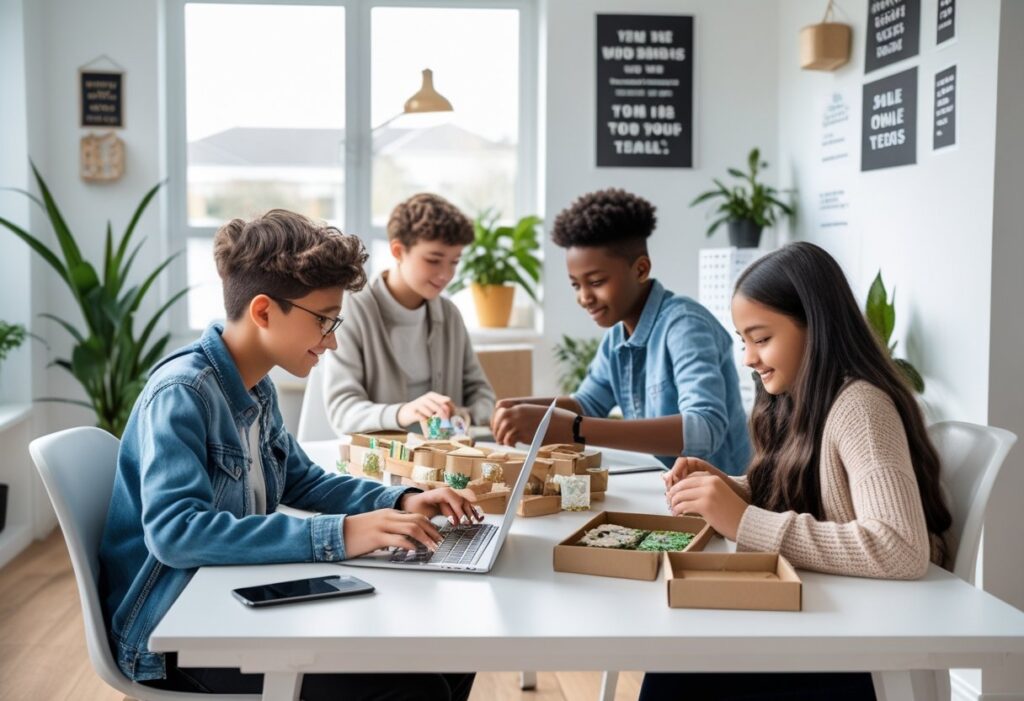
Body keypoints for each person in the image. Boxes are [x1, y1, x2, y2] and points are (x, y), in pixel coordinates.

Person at [99, 209, 478, 700]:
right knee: (417, 688)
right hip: (172, 633)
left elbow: (303, 481)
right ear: (263, 312)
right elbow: (177, 533)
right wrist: (339, 534)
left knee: (450, 656)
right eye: (323, 320)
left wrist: (403, 499)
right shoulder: (183, 393)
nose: (333, 339)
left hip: (228, 600)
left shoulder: (255, 388)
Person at [642, 241, 952, 701]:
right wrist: (732, 489)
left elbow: (901, 546)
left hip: (856, 650)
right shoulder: (794, 401)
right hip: (824, 619)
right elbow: (814, 500)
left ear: (817, 326)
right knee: (671, 660)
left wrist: (744, 521)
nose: (748, 358)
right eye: (743, 340)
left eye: (762, 339)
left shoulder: (861, 408)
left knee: (673, 671)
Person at [491, 188, 750, 473]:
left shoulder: (685, 325)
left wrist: (575, 429)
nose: (584, 297)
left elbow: (704, 429)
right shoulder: (617, 337)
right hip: (662, 489)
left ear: (640, 270)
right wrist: (523, 409)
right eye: (576, 285)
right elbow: (588, 404)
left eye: (597, 281)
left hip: (717, 497)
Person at [323, 193, 495, 436]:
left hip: (440, 461)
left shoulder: (449, 314)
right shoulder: (353, 310)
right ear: (398, 251)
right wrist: (402, 413)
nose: (446, 274)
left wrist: (463, 415)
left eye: (454, 262)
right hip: (379, 463)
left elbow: (484, 397)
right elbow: (343, 410)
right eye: (434, 260)